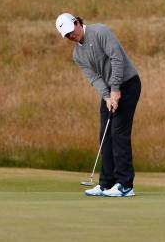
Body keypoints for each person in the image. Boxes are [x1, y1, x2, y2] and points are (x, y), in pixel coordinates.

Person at [55, 13, 141, 197]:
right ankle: (106, 183)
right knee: (105, 134)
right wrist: (107, 96)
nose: (72, 36)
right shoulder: (78, 54)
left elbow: (117, 58)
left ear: (77, 23)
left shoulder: (100, 31)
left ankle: (125, 185)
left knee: (119, 133)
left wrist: (116, 89)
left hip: (128, 83)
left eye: (72, 31)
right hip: (110, 89)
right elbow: (94, 77)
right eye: (67, 35)